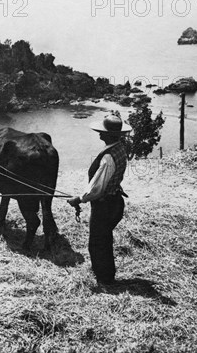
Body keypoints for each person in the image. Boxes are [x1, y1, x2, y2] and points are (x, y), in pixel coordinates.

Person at [67, 113, 131, 285]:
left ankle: (104, 279)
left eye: (102, 132)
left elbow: (96, 189)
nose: (99, 134)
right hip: (115, 201)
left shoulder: (107, 157)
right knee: (104, 239)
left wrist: (79, 199)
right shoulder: (119, 149)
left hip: (105, 205)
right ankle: (106, 273)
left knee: (98, 242)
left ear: (110, 135)